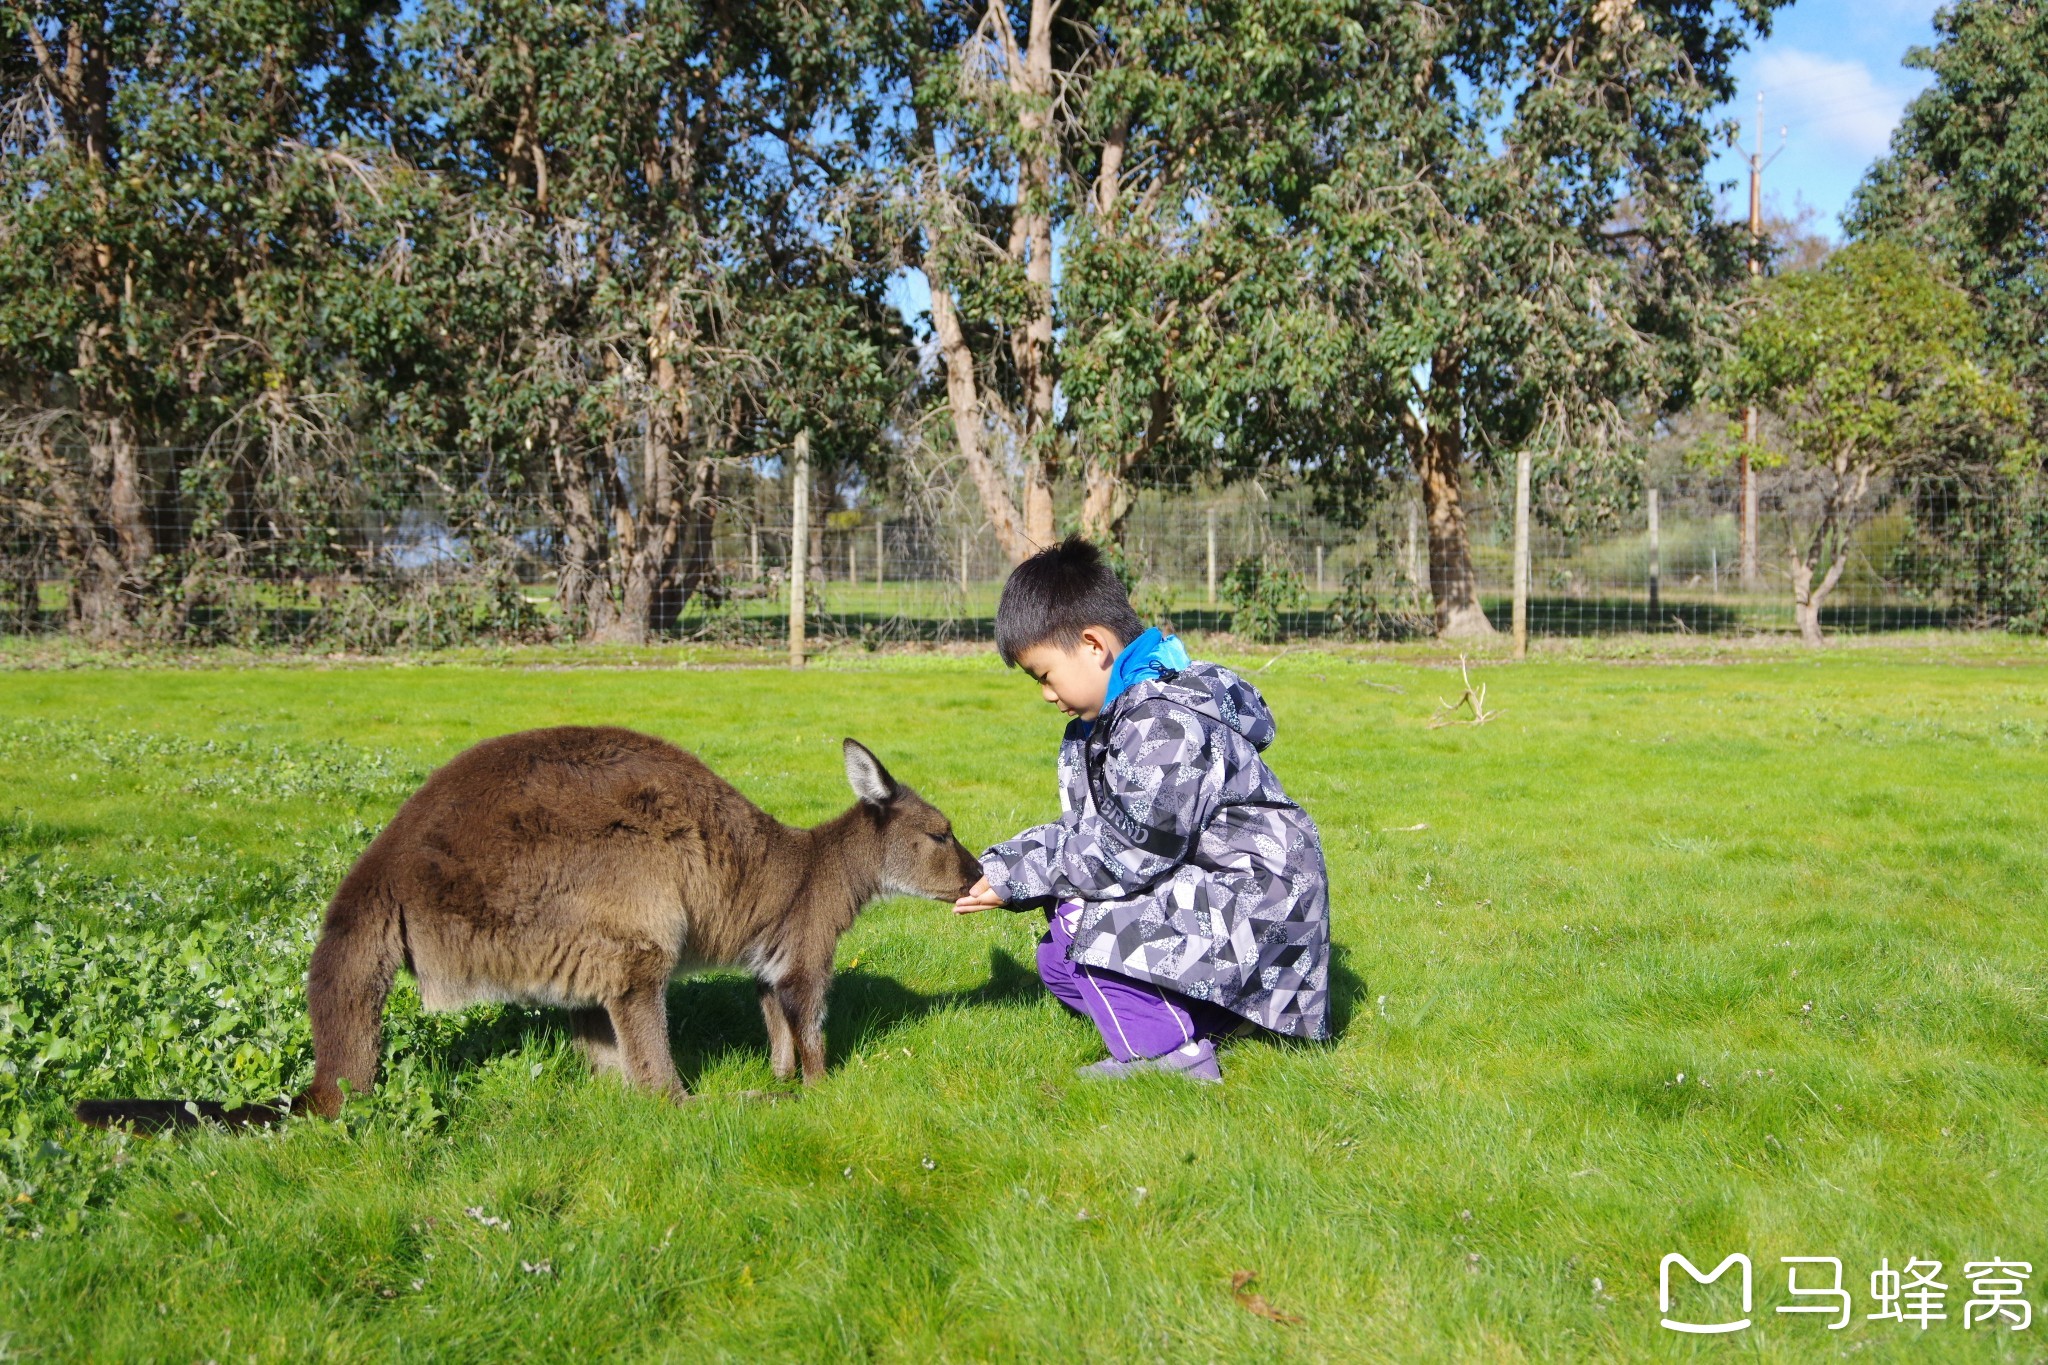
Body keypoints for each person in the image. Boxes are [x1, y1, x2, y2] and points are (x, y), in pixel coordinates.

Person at [953, 536, 1331, 1082]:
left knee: (1081, 916)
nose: (1044, 693)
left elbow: (1126, 850)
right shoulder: (1110, 721)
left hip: (1262, 914)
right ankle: (1216, 1018)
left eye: (1043, 674)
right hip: (1224, 905)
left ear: (1092, 645)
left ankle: (1170, 1059)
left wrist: (1020, 873)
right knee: (1058, 963)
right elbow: (1092, 830)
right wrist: (1012, 868)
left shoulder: (1162, 724)